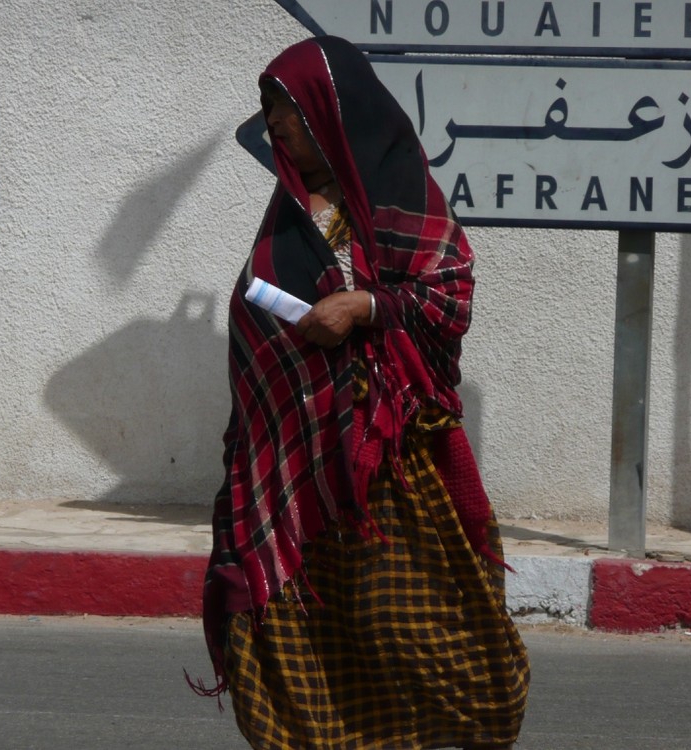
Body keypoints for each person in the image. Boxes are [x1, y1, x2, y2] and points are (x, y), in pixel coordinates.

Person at [194, 35, 530, 750]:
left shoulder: (400, 194)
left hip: (388, 469)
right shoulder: (287, 209)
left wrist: (365, 308)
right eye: (270, 109)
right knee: (305, 632)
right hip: (289, 471)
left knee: (413, 625)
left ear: (330, 110)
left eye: (286, 108)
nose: (276, 123)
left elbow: (448, 296)